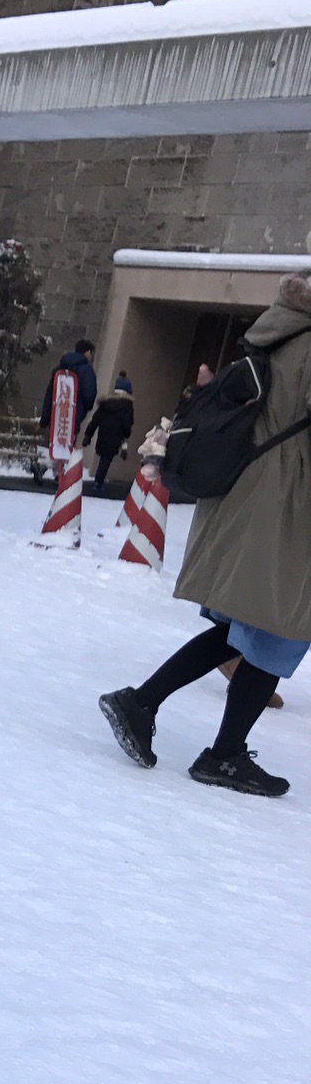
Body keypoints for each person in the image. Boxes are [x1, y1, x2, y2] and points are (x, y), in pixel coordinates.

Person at [98, 272, 311, 798]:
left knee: (251, 625)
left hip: (251, 494)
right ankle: (222, 755)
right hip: (287, 505)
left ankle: (143, 703)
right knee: (279, 627)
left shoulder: (279, 331)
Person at [83, 371, 134, 493]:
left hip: (103, 433)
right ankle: (98, 482)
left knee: (103, 457)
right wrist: (126, 435)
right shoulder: (127, 405)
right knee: (106, 459)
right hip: (116, 435)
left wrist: (88, 435)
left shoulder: (106, 403)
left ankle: (98, 481)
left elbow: (95, 420)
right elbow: (127, 424)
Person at [39, 336, 97, 443]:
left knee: (53, 447)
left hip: (56, 415)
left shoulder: (60, 367)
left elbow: (50, 393)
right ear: (88, 352)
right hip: (73, 416)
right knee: (66, 447)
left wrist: (45, 418)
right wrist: (84, 408)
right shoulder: (87, 371)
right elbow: (89, 395)